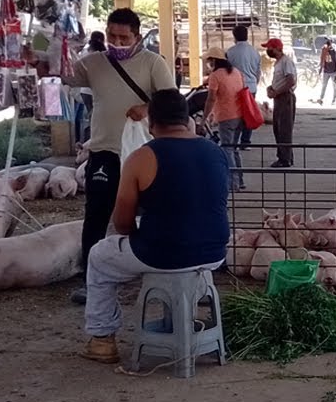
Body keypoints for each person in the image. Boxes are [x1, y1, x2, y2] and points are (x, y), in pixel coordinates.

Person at [80, 89, 231, 364]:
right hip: (215, 253)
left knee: (99, 256)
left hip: (162, 254)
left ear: (151, 123)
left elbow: (122, 224)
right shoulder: (216, 152)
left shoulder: (141, 157)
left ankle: (102, 340)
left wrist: (144, 229)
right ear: (187, 119)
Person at [67, 8, 177, 306]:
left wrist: (147, 108)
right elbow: (62, 74)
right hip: (104, 151)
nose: (116, 42)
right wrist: (40, 54)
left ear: (137, 37)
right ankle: (90, 278)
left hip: (144, 154)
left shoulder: (153, 63)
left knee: (150, 213)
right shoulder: (92, 63)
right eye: (112, 36)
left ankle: (152, 269)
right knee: (96, 214)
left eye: (123, 37)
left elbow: (172, 101)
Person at [203, 47, 246, 191]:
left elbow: (211, 99)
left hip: (226, 116)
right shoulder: (236, 72)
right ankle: (240, 180)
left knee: (227, 149)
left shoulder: (215, 76)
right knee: (234, 148)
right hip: (239, 115)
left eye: (209, 60)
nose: (208, 63)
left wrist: (204, 119)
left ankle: (233, 183)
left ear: (214, 61)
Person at [263, 38, 297, 168]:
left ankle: (284, 159)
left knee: (284, 129)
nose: (268, 51)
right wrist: (271, 88)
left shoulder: (286, 62)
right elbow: (280, 81)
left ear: (277, 48)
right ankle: (286, 156)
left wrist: (276, 92)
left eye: (270, 48)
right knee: (278, 128)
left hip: (285, 97)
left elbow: (290, 81)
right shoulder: (278, 63)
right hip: (279, 97)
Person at [226, 25, 261, 149]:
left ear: (234, 36)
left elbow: (227, 71)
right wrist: (254, 84)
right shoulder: (255, 52)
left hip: (235, 88)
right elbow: (258, 72)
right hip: (251, 87)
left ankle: (234, 141)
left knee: (235, 114)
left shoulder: (230, 52)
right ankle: (245, 141)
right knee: (248, 114)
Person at [75, 31, 105, 143]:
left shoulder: (84, 53)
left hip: (85, 91)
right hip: (97, 91)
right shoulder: (102, 54)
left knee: (92, 117)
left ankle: (87, 142)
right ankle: (91, 142)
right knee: (96, 119)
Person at [316, 38, 336, 105]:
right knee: (324, 85)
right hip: (326, 71)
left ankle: (334, 99)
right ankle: (321, 98)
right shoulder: (324, 49)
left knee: (334, 86)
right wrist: (320, 68)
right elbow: (322, 59)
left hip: (333, 71)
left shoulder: (335, 51)